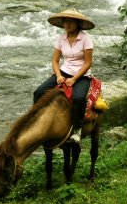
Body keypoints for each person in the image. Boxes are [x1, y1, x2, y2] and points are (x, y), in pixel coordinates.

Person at [33, 8, 95, 143]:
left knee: (78, 98)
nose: (68, 24)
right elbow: (55, 60)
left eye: (72, 21)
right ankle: (36, 121)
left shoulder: (86, 38)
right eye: (66, 21)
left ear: (78, 23)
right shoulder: (61, 38)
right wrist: (59, 75)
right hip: (64, 72)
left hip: (81, 75)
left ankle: (77, 130)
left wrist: (74, 79)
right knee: (39, 91)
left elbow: (88, 63)